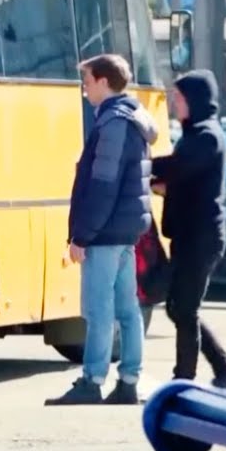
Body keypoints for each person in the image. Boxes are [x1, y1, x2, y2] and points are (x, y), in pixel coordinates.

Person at [47, 54, 158, 406]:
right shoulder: (134, 118)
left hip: (105, 233)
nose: (84, 88)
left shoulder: (112, 123)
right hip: (126, 231)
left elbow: (102, 185)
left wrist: (82, 235)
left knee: (98, 311)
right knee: (128, 310)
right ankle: (128, 381)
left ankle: (92, 380)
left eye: (88, 80)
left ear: (104, 82)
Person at [151, 70, 226, 391]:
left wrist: (141, 166)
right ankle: (224, 372)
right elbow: (183, 179)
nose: (175, 104)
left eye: (179, 98)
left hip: (202, 239)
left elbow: (178, 168)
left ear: (195, 99)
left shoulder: (207, 135)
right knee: (179, 307)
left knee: (184, 308)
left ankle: (186, 379)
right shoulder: (194, 135)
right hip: (188, 235)